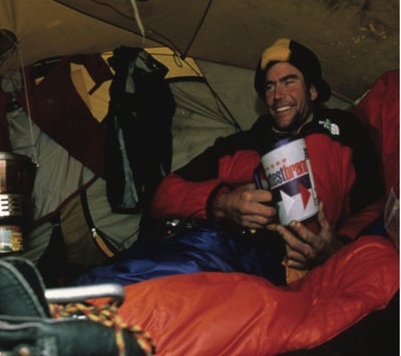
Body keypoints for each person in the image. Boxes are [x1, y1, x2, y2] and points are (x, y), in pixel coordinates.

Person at [74, 38, 384, 286]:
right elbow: (164, 194)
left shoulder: (342, 133)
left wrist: (338, 247)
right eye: (269, 86)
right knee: (134, 277)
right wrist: (224, 202)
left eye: (289, 82)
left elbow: (373, 206)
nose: (278, 95)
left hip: (312, 264)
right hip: (242, 249)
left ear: (313, 90)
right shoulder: (242, 145)